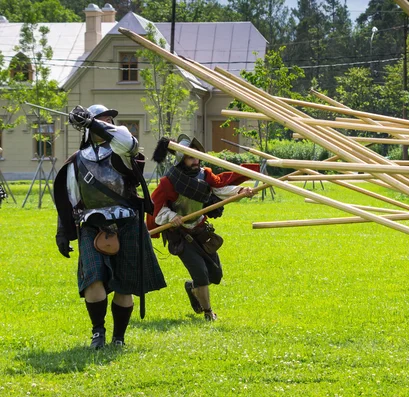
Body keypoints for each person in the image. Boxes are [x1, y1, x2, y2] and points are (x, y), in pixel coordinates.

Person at [54, 104, 166, 349]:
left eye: (109, 120)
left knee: (124, 285)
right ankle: (98, 332)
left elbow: (127, 140)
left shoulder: (122, 150)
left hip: (127, 223)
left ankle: (119, 337)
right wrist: (62, 231)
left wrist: (93, 122)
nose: (108, 123)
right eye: (102, 119)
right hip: (91, 224)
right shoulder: (76, 161)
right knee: (93, 281)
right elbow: (69, 199)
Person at [146, 134, 257, 321]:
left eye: (197, 156)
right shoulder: (168, 181)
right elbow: (156, 208)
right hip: (180, 235)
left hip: (200, 230)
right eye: (190, 157)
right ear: (181, 158)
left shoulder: (205, 174)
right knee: (201, 273)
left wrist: (240, 191)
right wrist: (172, 217)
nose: (195, 160)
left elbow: (219, 189)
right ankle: (208, 313)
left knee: (215, 275)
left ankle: (192, 288)